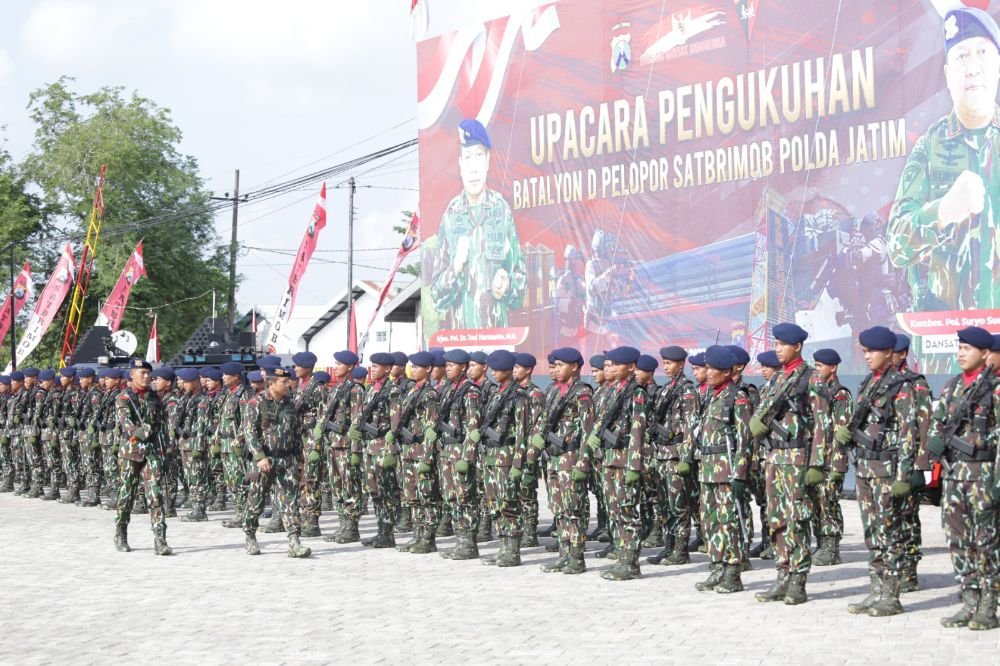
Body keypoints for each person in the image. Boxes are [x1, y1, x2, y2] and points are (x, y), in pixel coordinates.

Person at [887, 7, 1000, 316]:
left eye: (982, 54)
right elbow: (896, 246)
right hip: (949, 347)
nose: (973, 68)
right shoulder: (929, 147)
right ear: (949, 75)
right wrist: (942, 211)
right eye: (961, 56)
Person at [834, 327, 916, 617]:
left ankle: (891, 595)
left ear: (888, 353)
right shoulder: (869, 382)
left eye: (872, 352)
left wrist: (904, 477)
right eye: (865, 351)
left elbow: (909, 433)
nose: (867, 356)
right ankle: (876, 590)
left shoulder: (901, 385)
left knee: (889, 532)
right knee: (872, 533)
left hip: (887, 470)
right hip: (866, 468)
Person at [925, 326, 1000, 630]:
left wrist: (982, 443)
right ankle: (968, 602)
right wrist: (933, 445)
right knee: (958, 540)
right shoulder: (952, 386)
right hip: (955, 476)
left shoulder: (995, 388)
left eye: (967, 348)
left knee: (986, 542)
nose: (960, 353)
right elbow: (939, 422)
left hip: (983, 475)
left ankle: (987, 605)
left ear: (985, 353)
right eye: (959, 348)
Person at [749, 323, 827, 605]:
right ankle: (782, 574)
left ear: (798, 346)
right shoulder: (777, 379)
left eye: (783, 344)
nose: (778, 349)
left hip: (797, 457)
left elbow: (822, 424)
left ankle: (798, 580)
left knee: (797, 519)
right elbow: (762, 413)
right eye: (776, 344)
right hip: (774, 457)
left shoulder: (811, 378)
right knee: (776, 519)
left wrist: (817, 463)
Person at [430, 119, 526, 329]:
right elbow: (436, 296)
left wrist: (507, 285)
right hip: (461, 350)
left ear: (488, 160)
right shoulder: (451, 214)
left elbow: (521, 282)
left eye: (479, 155)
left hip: (497, 346)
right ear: (460, 164)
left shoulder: (501, 210)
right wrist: (454, 269)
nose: (473, 167)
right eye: (468, 157)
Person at [690, 346, 752, 593]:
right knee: (710, 521)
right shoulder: (710, 396)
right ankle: (716, 567)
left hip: (727, 471)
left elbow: (745, 439)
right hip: (707, 470)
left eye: (714, 368)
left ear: (726, 371)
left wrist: (741, 473)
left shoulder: (737, 398)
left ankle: (733, 572)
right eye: (708, 367)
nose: (709, 372)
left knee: (730, 522)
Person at [528, 347, 594, 574]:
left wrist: (583, 463)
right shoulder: (554, 391)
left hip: (571, 458)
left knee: (572, 508)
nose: (555, 369)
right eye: (554, 366)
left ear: (574, 366)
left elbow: (587, 432)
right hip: (554, 458)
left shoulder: (582, 393)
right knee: (559, 509)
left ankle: (576, 557)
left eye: (559, 365)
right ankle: (564, 554)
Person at [586, 346, 647, 581]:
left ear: (631, 367)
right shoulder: (614, 390)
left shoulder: (636, 392)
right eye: (609, 364)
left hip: (624, 460)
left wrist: (634, 465)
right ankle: (622, 556)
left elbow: (638, 430)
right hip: (610, 458)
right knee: (615, 511)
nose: (610, 368)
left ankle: (631, 562)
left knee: (626, 511)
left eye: (616, 364)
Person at [242, 365, 311, 558]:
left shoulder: (290, 404)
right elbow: (249, 432)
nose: (288, 385)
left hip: (286, 459)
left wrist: (299, 459)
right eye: (283, 382)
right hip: (264, 460)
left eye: (288, 381)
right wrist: (259, 456)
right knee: (255, 501)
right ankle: (250, 536)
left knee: (290, 501)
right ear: (271, 384)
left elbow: (296, 433)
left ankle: (294, 542)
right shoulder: (256, 402)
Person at [646, 346, 700, 566]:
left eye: (670, 363)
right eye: (665, 363)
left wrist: (686, 458)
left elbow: (691, 427)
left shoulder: (687, 392)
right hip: (661, 454)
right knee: (664, 504)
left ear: (681, 364)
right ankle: (668, 546)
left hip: (676, 455)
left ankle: (680, 549)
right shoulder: (666, 389)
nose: (666, 367)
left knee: (679, 504)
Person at [113, 358, 172, 556]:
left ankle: (160, 538)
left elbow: (162, 424)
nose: (147, 377)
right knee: (127, 493)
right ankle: (121, 532)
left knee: (155, 494)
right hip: (132, 452)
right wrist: (146, 430)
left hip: (153, 451)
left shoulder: (155, 397)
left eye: (148, 373)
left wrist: (165, 447)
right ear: (132, 375)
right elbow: (127, 425)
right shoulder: (123, 398)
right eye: (142, 373)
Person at [478, 350, 529, 567]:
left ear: (508, 370)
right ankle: (503, 547)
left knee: (509, 504)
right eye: (491, 368)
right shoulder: (496, 394)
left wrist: (518, 464)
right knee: (495, 504)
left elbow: (522, 433)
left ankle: (512, 551)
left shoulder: (519, 396)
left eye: (497, 369)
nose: (493, 373)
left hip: (507, 458)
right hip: (491, 457)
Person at [892, 333, 934, 591]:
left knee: (908, 516)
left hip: (908, 465)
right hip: (885, 462)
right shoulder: (882, 383)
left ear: (903, 353)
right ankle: (893, 567)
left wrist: (920, 466)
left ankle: (909, 569)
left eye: (893, 351)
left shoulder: (916, 384)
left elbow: (925, 426)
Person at [434, 349, 483, 560]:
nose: (447, 368)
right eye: (446, 365)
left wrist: (467, 457)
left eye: (452, 365)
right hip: (446, 451)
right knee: (451, 497)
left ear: (463, 367)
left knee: (466, 498)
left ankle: (469, 543)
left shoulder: (470, 392)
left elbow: (473, 428)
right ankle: (460, 539)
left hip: (461, 451)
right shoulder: (447, 389)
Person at [393, 352, 442, 554]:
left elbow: (431, 428)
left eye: (417, 367)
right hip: (408, 451)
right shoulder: (412, 390)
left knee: (427, 495)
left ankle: (428, 538)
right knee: (411, 495)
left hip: (421, 450)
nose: (412, 370)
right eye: (411, 367)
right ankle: (417, 533)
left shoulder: (429, 394)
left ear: (428, 369)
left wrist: (428, 457)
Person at [809, 349, 852, 567]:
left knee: (829, 503)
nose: (816, 370)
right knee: (818, 502)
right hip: (818, 459)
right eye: (815, 365)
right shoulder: (820, 392)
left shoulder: (839, 394)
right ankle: (821, 543)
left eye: (820, 366)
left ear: (832, 368)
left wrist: (837, 465)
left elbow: (840, 432)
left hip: (832, 459)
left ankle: (831, 547)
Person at [354, 352, 401, 549]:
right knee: (374, 491)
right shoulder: (372, 389)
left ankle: (388, 532)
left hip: (382, 446)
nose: (373, 369)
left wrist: (391, 451)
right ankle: (381, 530)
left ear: (388, 369)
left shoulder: (392, 391)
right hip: (370, 447)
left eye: (377, 366)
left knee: (387, 490)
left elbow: (395, 423)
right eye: (372, 365)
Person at [318, 350, 365, 543]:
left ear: (350, 367)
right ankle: (342, 524)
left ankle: (351, 527)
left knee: (350, 487)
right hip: (334, 445)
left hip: (346, 446)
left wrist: (355, 450)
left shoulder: (355, 390)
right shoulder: (337, 388)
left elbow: (357, 422)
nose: (336, 366)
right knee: (337, 486)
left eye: (339, 364)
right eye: (335, 363)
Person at [292, 351, 327, 537]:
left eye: (298, 365)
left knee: (311, 480)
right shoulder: (301, 387)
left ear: (307, 367)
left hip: (311, 439)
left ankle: (312, 520)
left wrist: (317, 446)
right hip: (300, 439)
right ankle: (302, 516)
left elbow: (322, 418)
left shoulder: (317, 388)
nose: (295, 368)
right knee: (300, 479)